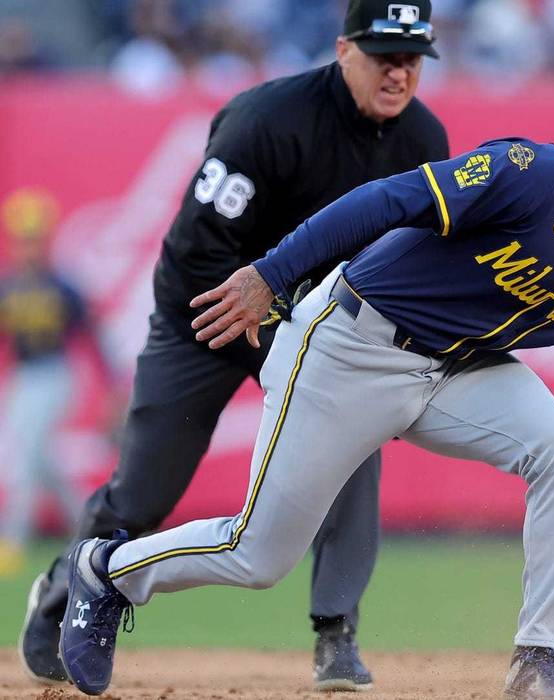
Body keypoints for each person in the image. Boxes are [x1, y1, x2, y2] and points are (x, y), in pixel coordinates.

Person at [53, 93, 554, 699]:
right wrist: (271, 274)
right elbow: (386, 200)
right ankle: (105, 569)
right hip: (351, 346)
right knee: (259, 556)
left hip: (457, 370)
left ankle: (535, 660)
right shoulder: (537, 175)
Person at [19, 0, 448, 692]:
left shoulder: (424, 140)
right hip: (203, 314)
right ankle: (72, 583)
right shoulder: (268, 120)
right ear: (342, 51)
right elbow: (194, 250)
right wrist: (271, 320)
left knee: (353, 438)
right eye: (381, 55)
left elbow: (416, 262)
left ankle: (336, 628)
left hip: (308, 328)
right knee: (145, 491)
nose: (397, 73)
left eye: (410, 59)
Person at [0, 189, 112, 575]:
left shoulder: (61, 284)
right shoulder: (9, 285)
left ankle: (12, 541)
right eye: (22, 239)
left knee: (26, 454)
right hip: (23, 378)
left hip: (56, 374)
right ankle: (88, 526)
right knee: (40, 460)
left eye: (34, 239)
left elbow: (93, 335)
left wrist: (112, 386)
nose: (28, 247)